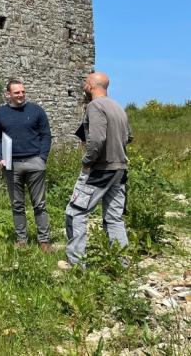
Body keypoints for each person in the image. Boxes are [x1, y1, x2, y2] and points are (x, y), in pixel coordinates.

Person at [61, 72, 132, 268]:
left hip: (100, 169)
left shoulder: (95, 106)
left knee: (75, 212)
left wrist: (87, 160)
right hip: (120, 169)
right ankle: (121, 264)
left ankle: (75, 265)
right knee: (114, 217)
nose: (84, 84)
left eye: (85, 81)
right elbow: (129, 137)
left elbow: (97, 139)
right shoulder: (118, 107)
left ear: (91, 85)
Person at [0, 79, 53, 250]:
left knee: (39, 204)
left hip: (35, 162)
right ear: (8, 94)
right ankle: (22, 241)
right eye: (17, 92)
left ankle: (44, 241)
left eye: (23, 92)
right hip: (11, 165)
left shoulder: (36, 111)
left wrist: (42, 158)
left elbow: (46, 135)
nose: (21, 95)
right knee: (17, 205)